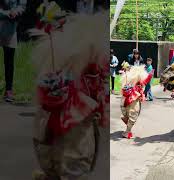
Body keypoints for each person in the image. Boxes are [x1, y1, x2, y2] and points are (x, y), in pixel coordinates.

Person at [31, 13, 108, 180]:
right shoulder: (78, 109)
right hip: (71, 131)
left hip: (51, 132)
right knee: (73, 167)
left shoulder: (54, 88)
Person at [0, 0, 25, 102]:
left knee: (9, 60)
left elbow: (22, 5)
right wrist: (6, 13)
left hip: (10, 28)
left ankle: (9, 90)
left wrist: (16, 11)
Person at [120, 65, 153, 139]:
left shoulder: (129, 80)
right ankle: (127, 131)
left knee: (129, 114)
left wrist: (150, 75)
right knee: (133, 115)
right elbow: (145, 81)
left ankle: (127, 125)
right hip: (133, 100)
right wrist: (150, 75)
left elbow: (145, 81)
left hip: (126, 100)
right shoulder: (137, 82)